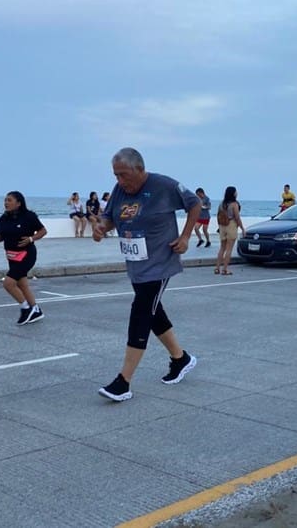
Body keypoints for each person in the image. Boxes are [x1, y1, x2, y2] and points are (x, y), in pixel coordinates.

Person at [93, 147, 201, 402]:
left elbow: (194, 204)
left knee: (141, 311)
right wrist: (101, 228)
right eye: (116, 175)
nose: (119, 181)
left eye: (124, 175)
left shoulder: (163, 185)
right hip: (136, 264)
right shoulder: (120, 190)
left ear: (140, 169)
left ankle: (123, 382)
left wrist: (185, 237)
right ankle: (180, 358)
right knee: (153, 312)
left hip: (160, 261)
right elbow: (109, 218)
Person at [0, 191, 47, 325]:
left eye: (9, 200)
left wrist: (31, 238)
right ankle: (36, 310)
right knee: (22, 284)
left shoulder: (29, 216)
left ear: (19, 203)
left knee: (8, 283)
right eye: (5, 200)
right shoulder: (3, 218)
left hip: (26, 255)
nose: (6, 203)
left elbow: (43, 231)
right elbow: (2, 236)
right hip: (11, 256)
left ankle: (26, 309)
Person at [214, 186, 246, 276]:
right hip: (231, 225)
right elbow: (237, 217)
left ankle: (217, 268)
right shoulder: (234, 204)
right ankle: (225, 269)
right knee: (229, 249)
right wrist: (242, 228)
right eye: (236, 192)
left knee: (222, 248)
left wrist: (219, 226)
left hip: (222, 226)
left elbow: (218, 215)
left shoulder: (221, 204)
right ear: (233, 193)